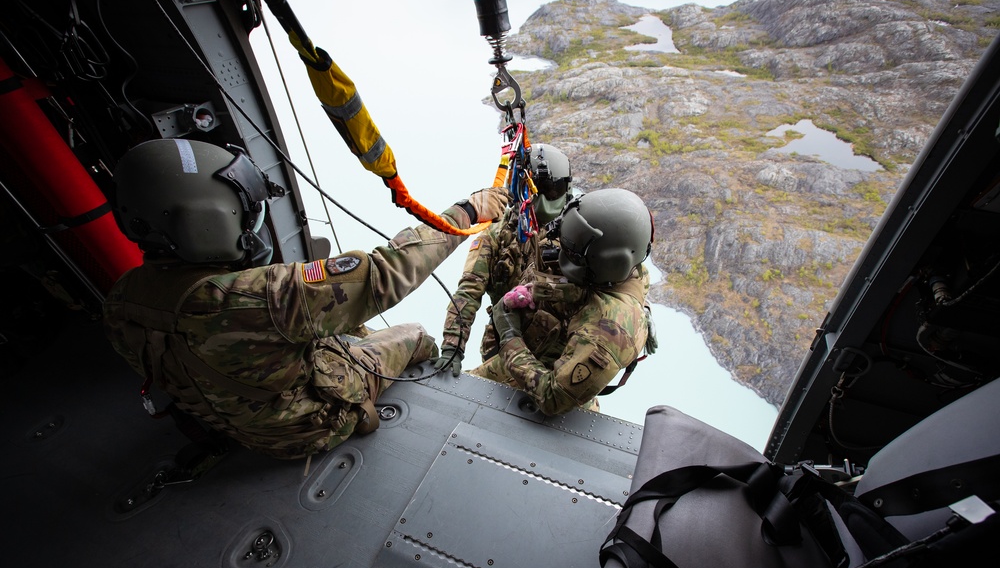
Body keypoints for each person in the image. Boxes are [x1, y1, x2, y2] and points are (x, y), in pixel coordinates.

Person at [103, 138, 509, 459]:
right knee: (415, 334)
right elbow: (386, 274)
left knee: (348, 325)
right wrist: (468, 211)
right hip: (304, 429)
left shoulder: (122, 299)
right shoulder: (258, 297)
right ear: (204, 222)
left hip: (231, 417)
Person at [473, 188, 654, 416]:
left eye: (575, 256)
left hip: (560, 392)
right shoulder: (623, 264)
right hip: (550, 352)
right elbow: (590, 289)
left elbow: (552, 398)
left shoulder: (607, 333)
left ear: (610, 264)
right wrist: (540, 291)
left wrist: (510, 337)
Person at [434, 143, 577, 375]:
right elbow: (469, 292)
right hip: (507, 345)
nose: (542, 201)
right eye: (534, 191)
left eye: (552, 191)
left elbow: (619, 268)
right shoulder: (496, 237)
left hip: (560, 352)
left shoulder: (578, 229)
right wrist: (453, 347)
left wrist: (641, 308)